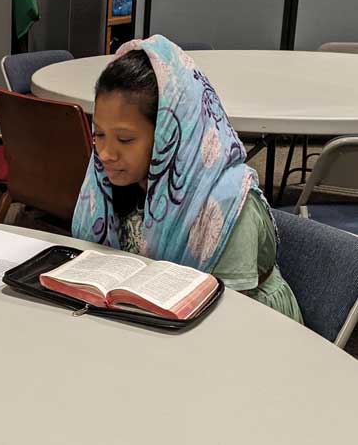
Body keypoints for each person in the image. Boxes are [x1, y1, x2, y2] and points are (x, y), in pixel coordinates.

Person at [72, 35, 302, 321]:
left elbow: (235, 316)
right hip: (151, 321)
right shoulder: (111, 180)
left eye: (125, 139)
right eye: (99, 134)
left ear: (170, 136)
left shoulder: (226, 204)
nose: (105, 153)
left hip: (242, 327)